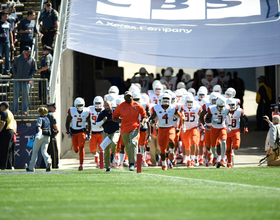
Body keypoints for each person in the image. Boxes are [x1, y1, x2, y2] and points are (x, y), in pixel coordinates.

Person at [112, 91, 147, 171]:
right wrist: (118, 120)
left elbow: (144, 115)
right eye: (127, 97)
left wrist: (142, 122)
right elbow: (114, 117)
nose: (128, 98)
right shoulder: (120, 106)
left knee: (133, 143)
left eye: (130, 96)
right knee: (127, 146)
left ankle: (132, 163)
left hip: (134, 127)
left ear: (132, 97)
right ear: (124, 98)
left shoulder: (137, 105)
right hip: (124, 129)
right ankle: (130, 162)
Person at [149, 93, 183, 170]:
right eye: (164, 99)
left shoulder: (173, 107)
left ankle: (172, 152)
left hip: (170, 128)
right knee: (162, 149)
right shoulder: (156, 108)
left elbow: (180, 117)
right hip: (161, 129)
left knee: (171, 140)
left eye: (167, 99)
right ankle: (164, 163)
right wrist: (153, 123)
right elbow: (152, 118)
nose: (166, 101)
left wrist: (178, 126)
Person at [65, 97, 91, 171]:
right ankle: (77, 150)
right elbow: (67, 122)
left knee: (81, 146)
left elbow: (89, 123)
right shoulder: (72, 111)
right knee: (76, 149)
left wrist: (88, 133)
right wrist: (68, 132)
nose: (80, 107)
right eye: (78, 105)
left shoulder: (86, 111)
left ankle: (81, 165)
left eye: (81, 105)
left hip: (82, 131)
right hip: (73, 131)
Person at [11, 45, 37, 115]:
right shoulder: (18, 58)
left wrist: (30, 77)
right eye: (27, 51)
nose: (29, 53)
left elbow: (35, 70)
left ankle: (24, 110)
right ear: (24, 51)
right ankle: (14, 110)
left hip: (27, 81)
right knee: (16, 96)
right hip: (17, 80)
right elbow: (13, 67)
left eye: (29, 51)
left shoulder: (32, 59)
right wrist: (15, 75)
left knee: (26, 96)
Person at [205, 96, 230, 168]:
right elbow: (207, 119)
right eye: (219, 106)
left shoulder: (227, 108)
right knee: (213, 146)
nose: (221, 108)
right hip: (214, 128)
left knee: (223, 142)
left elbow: (229, 116)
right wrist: (212, 121)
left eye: (222, 106)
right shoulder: (211, 109)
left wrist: (230, 125)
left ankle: (222, 159)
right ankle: (215, 156)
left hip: (222, 128)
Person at [96, 100, 120, 172]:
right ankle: (107, 167)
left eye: (108, 105)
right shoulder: (102, 113)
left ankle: (113, 154)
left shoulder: (115, 111)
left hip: (115, 132)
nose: (107, 107)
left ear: (111, 105)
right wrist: (103, 121)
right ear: (103, 106)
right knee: (106, 150)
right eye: (106, 105)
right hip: (106, 133)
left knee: (114, 142)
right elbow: (97, 125)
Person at [26, 107, 52, 172]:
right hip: (47, 136)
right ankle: (48, 162)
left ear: (40, 112)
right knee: (44, 152)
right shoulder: (47, 119)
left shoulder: (39, 118)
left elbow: (39, 127)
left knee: (35, 151)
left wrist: (39, 135)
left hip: (41, 135)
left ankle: (31, 168)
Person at [40, 102, 59, 168]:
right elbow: (55, 125)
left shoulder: (44, 115)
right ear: (50, 108)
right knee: (54, 151)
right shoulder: (51, 115)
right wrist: (57, 131)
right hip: (51, 135)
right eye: (54, 107)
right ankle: (55, 165)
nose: (55, 108)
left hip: (44, 135)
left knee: (46, 151)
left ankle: (43, 166)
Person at [88, 96, 104, 168]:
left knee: (101, 149)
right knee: (92, 149)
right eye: (96, 103)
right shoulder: (90, 109)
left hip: (102, 132)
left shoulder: (104, 110)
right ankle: (96, 155)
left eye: (99, 103)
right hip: (93, 132)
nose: (98, 105)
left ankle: (100, 163)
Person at [0, 101, 15, 170]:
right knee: (8, 149)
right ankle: (9, 165)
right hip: (11, 131)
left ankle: (3, 166)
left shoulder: (4, 112)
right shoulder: (10, 112)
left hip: (6, 131)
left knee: (4, 149)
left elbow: (3, 124)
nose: (0, 107)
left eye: (1, 106)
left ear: (4, 106)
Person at [0, 10, 13, 75]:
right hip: (0, 42)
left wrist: (12, 43)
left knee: (8, 57)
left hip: (7, 42)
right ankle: (0, 71)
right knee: (0, 58)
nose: (6, 18)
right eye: (5, 16)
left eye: (7, 16)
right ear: (2, 16)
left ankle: (7, 71)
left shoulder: (8, 23)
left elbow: (11, 33)